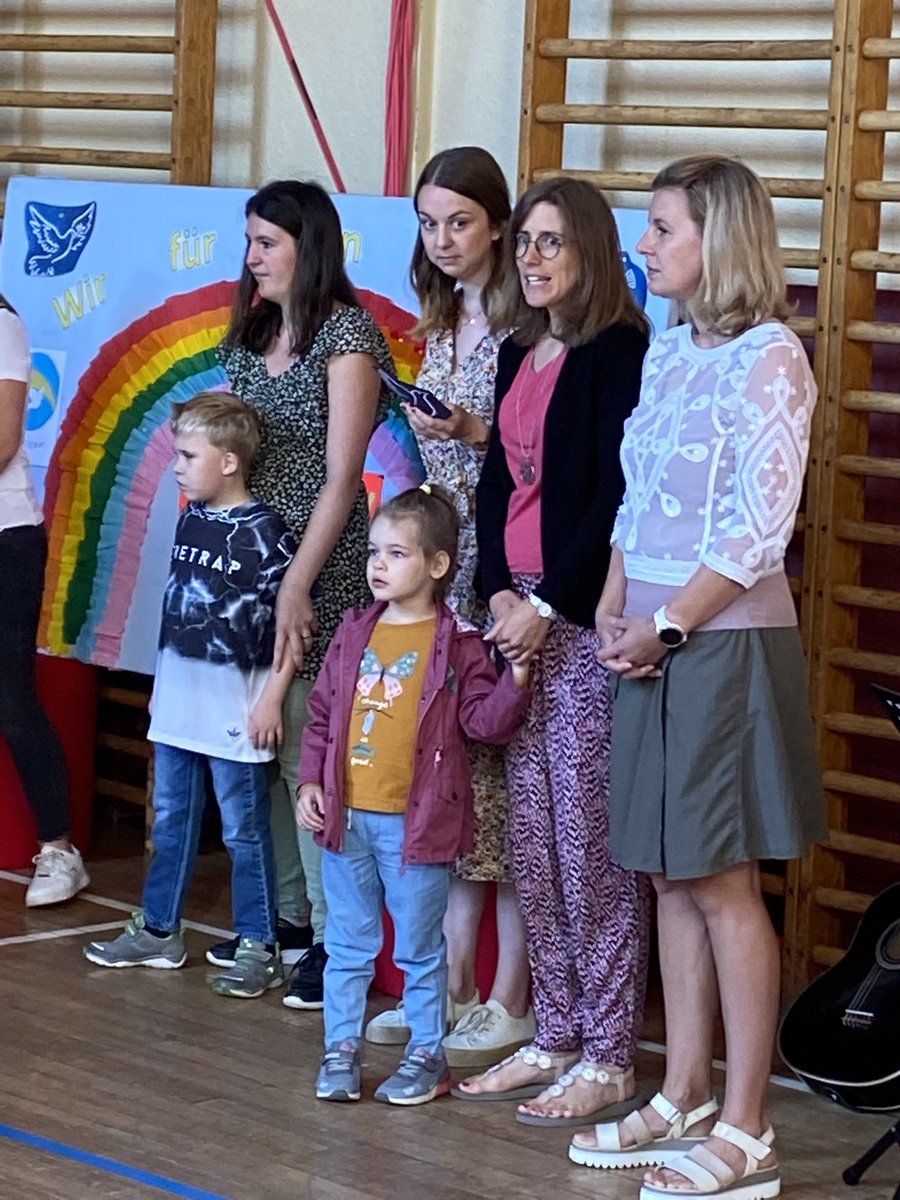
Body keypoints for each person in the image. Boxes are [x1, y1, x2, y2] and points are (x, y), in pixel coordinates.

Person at [574, 155, 826, 1200]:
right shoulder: (671, 353)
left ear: (717, 239)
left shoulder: (773, 358)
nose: (646, 245)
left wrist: (668, 626)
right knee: (670, 872)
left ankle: (747, 1126)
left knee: (723, 882)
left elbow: (758, 531)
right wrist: (614, 598)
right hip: (651, 631)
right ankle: (679, 1092)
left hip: (718, 641)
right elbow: (639, 502)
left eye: (663, 228)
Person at [455, 178, 651, 1124]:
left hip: (576, 623)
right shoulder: (519, 349)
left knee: (589, 849)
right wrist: (496, 587)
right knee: (533, 843)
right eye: (525, 243)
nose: (530, 260)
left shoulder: (621, 349)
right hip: (515, 620)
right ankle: (556, 1032)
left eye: (549, 244)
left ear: (591, 254)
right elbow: (498, 482)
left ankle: (610, 1053)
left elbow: (616, 495)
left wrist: (546, 601)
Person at [364, 146, 535, 1067]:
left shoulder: (522, 319)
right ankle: (452, 983)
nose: (444, 240)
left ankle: (510, 997)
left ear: (498, 224)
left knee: (504, 787)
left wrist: (467, 428)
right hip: (443, 558)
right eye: (430, 224)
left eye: (460, 223)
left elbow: (522, 446)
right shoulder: (442, 319)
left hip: (502, 562)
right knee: (454, 785)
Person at [211, 180, 393, 1009]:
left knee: (307, 754)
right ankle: (285, 917)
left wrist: (296, 582)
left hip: (323, 565)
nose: (252, 259)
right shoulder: (250, 335)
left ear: (307, 247)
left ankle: (331, 934)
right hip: (250, 562)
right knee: (260, 752)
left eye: (267, 244)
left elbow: (342, 478)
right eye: (249, 243)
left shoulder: (347, 336)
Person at [297, 485, 531, 1105]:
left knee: (422, 948)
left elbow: (485, 723)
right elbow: (323, 715)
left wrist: (518, 678)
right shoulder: (353, 631)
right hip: (346, 821)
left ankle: (427, 1054)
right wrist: (312, 781)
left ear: (436, 565)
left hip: (416, 827)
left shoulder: (458, 645)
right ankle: (341, 1048)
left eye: (395, 553)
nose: (377, 565)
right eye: (375, 551)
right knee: (347, 944)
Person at [84, 392, 296, 998]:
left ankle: (259, 944)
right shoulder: (190, 517)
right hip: (179, 703)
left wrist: (270, 698)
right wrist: (160, 688)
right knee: (173, 820)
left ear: (229, 461)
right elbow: (176, 611)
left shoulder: (266, 532)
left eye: (187, 455)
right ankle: (159, 931)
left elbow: (286, 627)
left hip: (235, 708)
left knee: (243, 830)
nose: (176, 465)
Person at [0, 296, 89, 908]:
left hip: (7, 537)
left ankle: (59, 850)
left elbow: (5, 439)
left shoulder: (2, 324)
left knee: (11, 694)